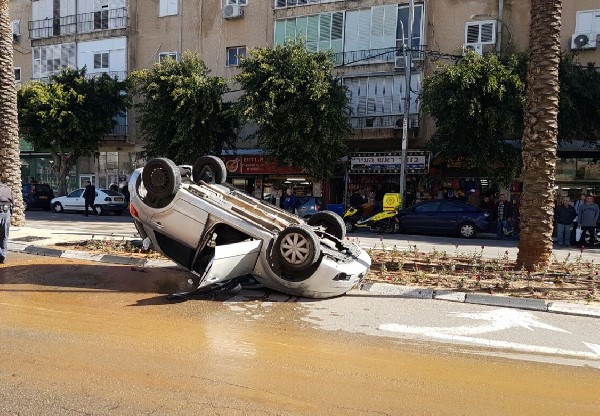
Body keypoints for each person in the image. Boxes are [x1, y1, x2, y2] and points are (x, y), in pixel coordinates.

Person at [0, 179, 14, 264]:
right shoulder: (8, 189)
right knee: (4, 235)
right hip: (6, 212)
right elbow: (13, 202)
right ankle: (3, 256)